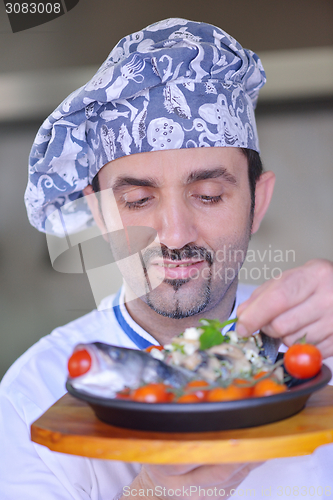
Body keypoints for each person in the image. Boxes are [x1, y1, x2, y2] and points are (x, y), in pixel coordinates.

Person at [1, 18, 333, 500]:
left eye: (209, 195)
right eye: (137, 200)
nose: (175, 234)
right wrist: (160, 491)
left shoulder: (318, 347)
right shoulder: (32, 396)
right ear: (99, 212)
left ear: (258, 203)